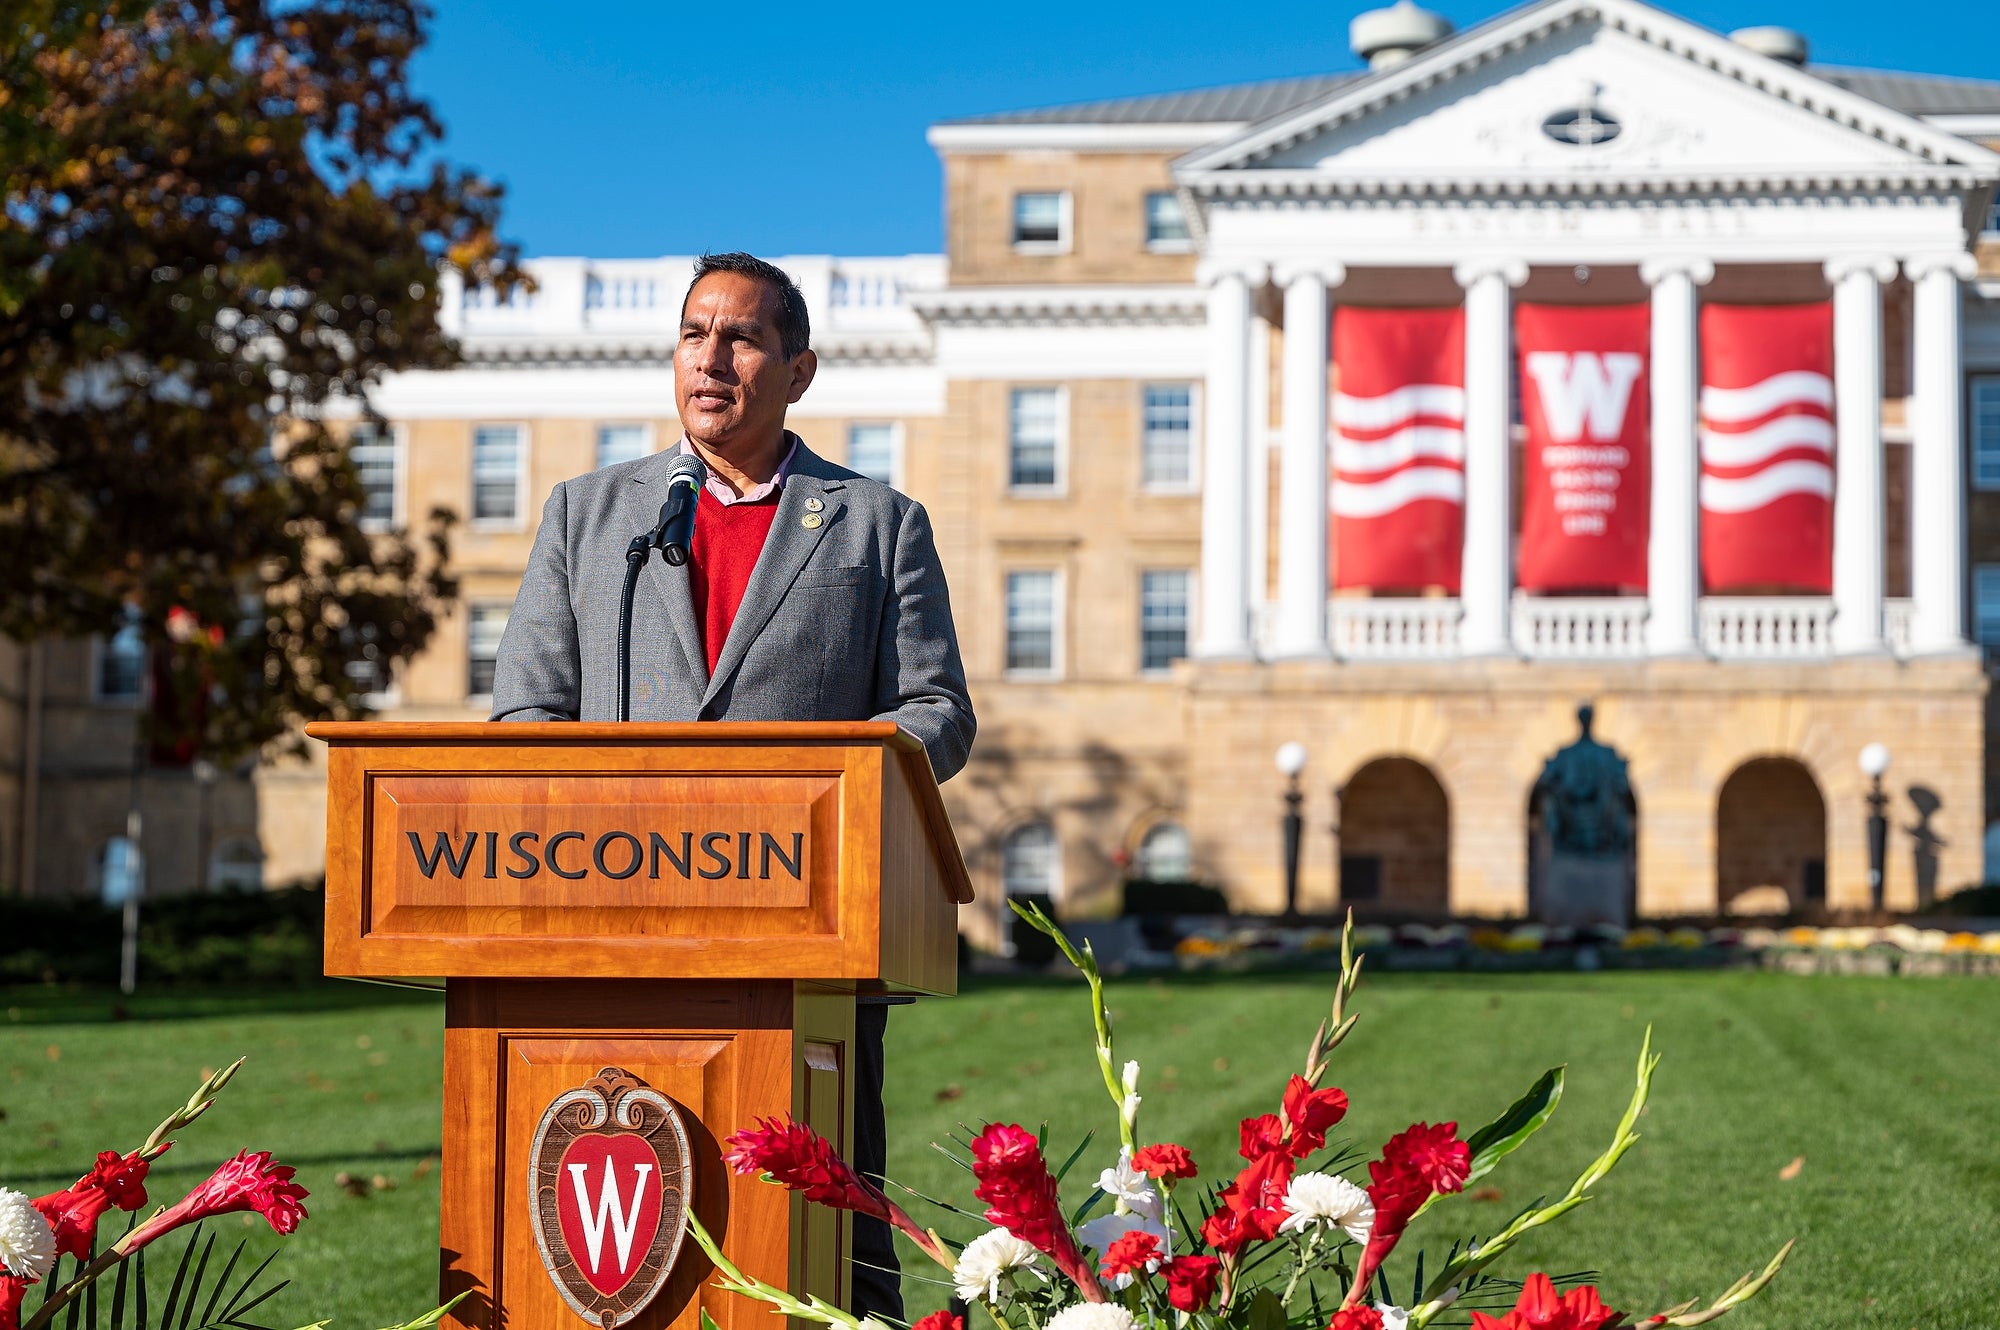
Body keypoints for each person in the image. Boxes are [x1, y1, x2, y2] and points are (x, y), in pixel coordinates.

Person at [489, 251, 975, 1320]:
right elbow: (526, 714)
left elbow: (937, 711)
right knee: (627, 1233)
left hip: (810, 934)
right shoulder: (588, 514)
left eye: (742, 338)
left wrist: (825, 776)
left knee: (831, 1228)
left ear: (796, 370)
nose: (710, 360)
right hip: (613, 932)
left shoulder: (874, 522)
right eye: (693, 334)